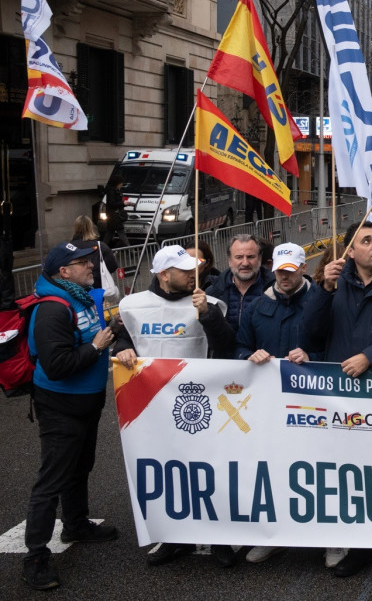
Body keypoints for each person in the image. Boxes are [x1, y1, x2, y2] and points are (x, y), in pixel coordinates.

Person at [291, 220, 372, 581]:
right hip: (345, 401)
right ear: (350, 252)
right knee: (354, 476)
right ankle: (361, 548)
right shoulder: (334, 286)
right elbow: (312, 337)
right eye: (365, 241)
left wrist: (370, 356)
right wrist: (323, 291)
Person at [116, 245, 236, 568]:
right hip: (153, 408)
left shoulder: (208, 303)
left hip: (197, 403)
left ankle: (219, 540)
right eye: (185, 271)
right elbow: (122, 335)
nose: (193, 275)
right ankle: (174, 538)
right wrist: (124, 347)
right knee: (168, 474)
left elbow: (227, 345)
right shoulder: (133, 305)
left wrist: (207, 315)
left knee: (207, 470)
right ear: (164, 275)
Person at [21, 242, 124, 590]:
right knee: (51, 480)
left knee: (80, 468)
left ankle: (76, 524)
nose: (91, 266)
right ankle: (35, 557)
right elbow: (57, 365)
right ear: (64, 271)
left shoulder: (80, 296)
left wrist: (113, 325)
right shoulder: (52, 308)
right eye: (82, 263)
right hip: (60, 406)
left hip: (86, 403)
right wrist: (96, 346)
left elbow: (93, 332)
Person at [234, 243, 314, 566]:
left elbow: (335, 349)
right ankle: (274, 536)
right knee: (271, 470)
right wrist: (248, 356)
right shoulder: (256, 307)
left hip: (309, 405)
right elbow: (239, 347)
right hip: (267, 408)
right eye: (280, 270)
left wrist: (312, 358)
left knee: (313, 470)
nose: (284, 277)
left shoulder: (320, 304)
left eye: (291, 272)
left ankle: (328, 539)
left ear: (303, 269)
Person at [204, 234, 270, 351]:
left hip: (263, 363)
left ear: (259, 259)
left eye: (250, 257)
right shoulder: (212, 293)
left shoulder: (274, 291)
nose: (245, 263)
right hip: (225, 365)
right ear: (229, 261)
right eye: (239, 257)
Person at [70, 215, 116, 291]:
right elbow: (112, 267)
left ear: (75, 228)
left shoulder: (69, 247)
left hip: (75, 290)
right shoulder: (101, 246)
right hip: (98, 288)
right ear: (91, 228)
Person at [101, 176, 129, 247]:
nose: (121, 185)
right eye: (120, 183)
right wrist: (123, 203)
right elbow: (112, 203)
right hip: (114, 215)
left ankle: (102, 248)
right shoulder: (112, 192)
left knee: (110, 233)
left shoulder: (114, 191)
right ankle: (130, 249)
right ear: (117, 183)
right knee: (120, 232)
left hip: (113, 215)